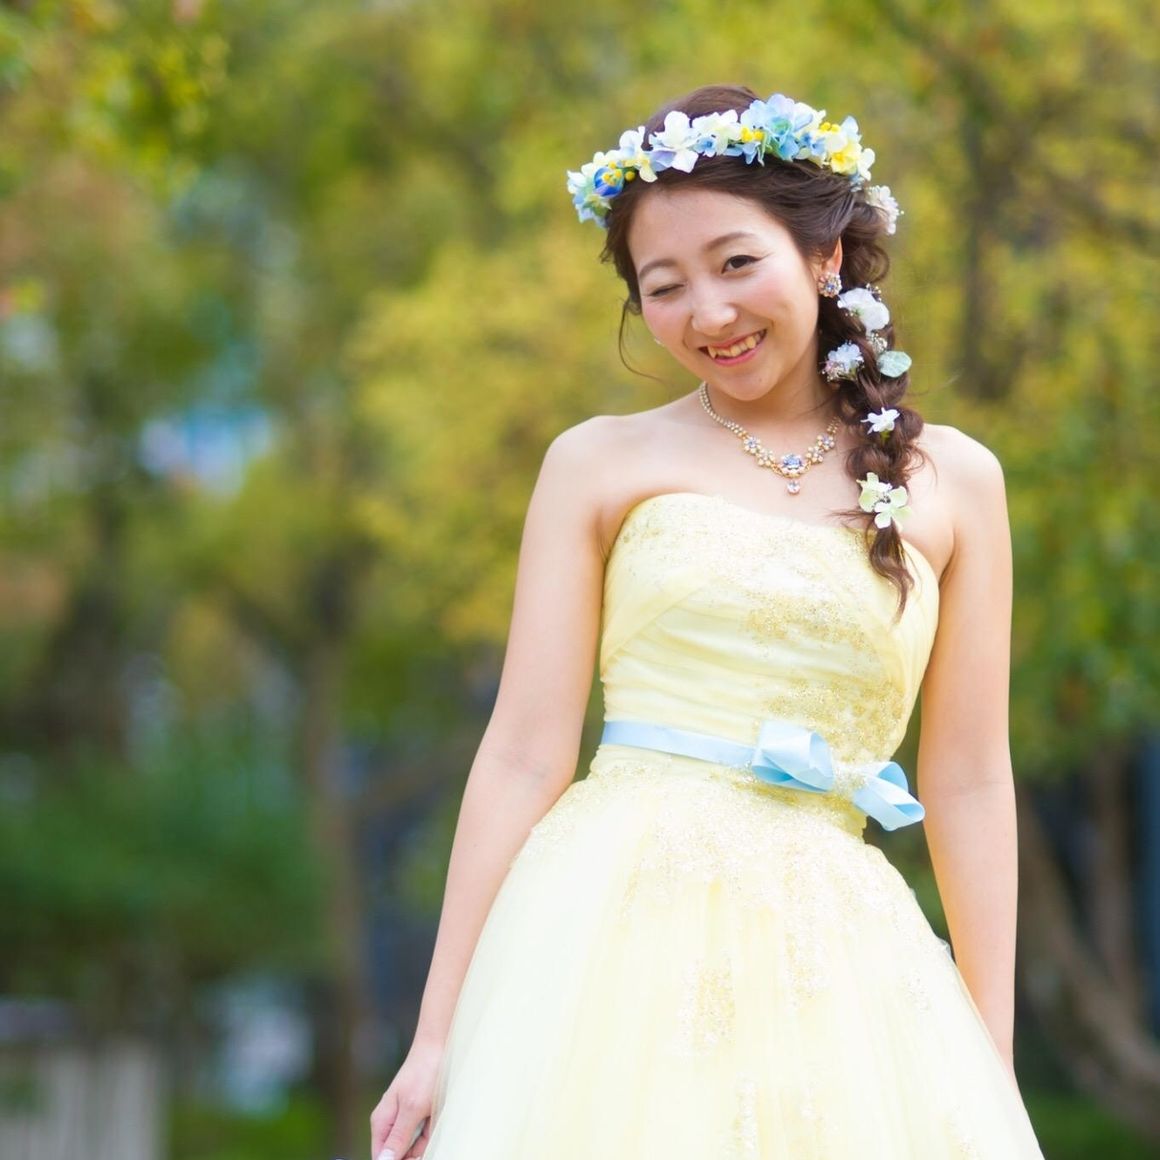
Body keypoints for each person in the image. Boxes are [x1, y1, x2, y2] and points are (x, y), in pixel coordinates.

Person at [370, 83, 1047, 1159]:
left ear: (824, 256)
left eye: (737, 263)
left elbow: (966, 779)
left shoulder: (955, 482)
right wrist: (438, 1033)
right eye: (665, 286)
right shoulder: (595, 463)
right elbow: (523, 751)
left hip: (836, 953)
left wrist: (985, 1057)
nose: (709, 314)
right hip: (608, 928)